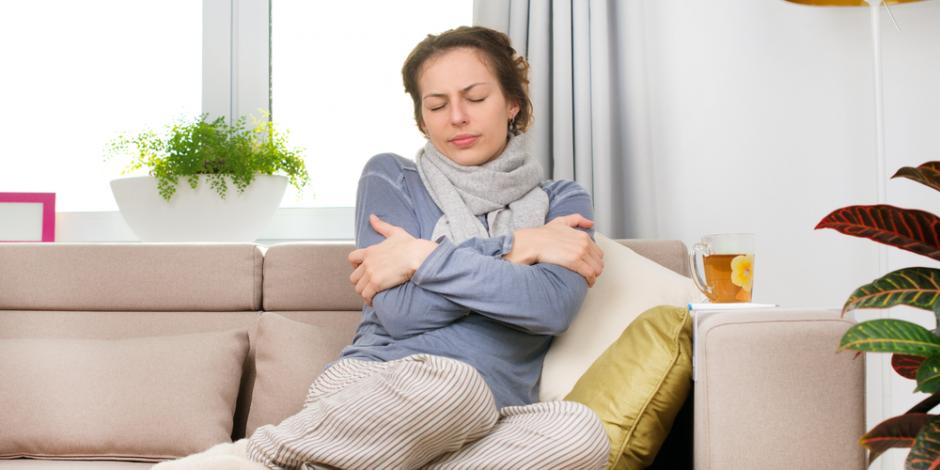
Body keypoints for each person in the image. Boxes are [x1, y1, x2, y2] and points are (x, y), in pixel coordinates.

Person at [156, 25, 608, 470]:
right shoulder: (392, 177)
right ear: (422, 118)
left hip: (489, 419)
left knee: (579, 433)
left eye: (475, 98)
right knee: (455, 383)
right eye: (437, 105)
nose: (457, 118)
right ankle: (252, 457)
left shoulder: (562, 200)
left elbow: (550, 306)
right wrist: (518, 247)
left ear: (512, 103)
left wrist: (421, 256)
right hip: (381, 389)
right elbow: (402, 312)